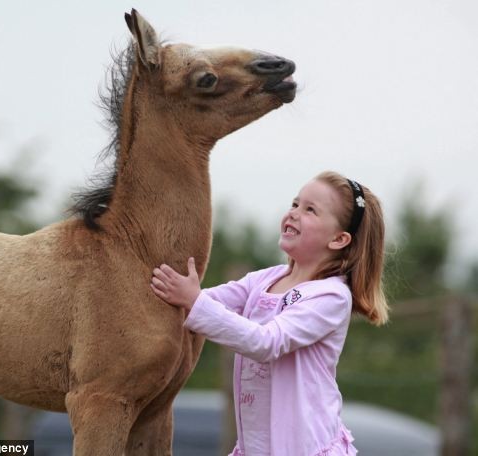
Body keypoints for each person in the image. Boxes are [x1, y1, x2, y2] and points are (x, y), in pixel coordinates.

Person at [151, 171, 388, 456]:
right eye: (295, 204)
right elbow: (207, 301)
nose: (294, 214)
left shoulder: (331, 297)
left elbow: (266, 342)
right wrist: (168, 297)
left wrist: (194, 300)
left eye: (310, 210)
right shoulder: (265, 279)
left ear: (338, 239)